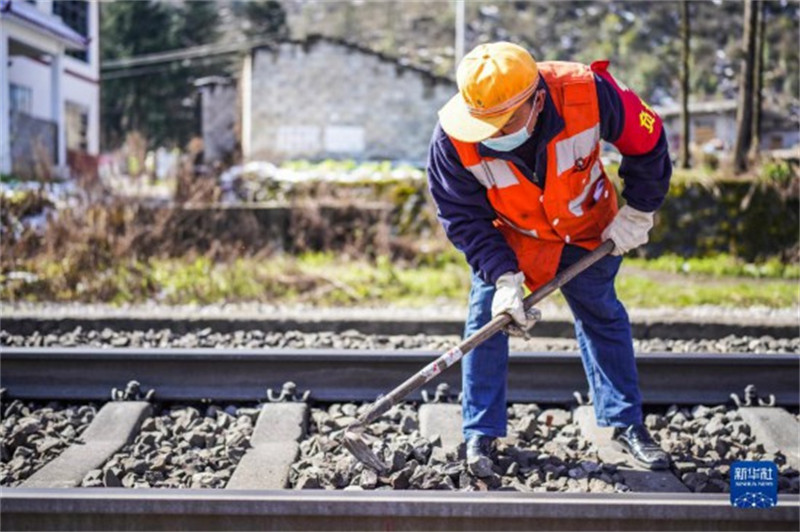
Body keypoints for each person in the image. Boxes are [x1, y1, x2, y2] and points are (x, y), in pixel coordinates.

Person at [426, 42, 672, 475]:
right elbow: (461, 217)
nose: (492, 135)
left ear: (537, 99)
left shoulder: (589, 91)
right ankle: (479, 434)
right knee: (486, 321)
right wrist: (503, 278)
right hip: (512, 237)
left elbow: (647, 141)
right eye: (484, 125)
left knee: (602, 314)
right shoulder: (451, 138)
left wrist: (640, 209)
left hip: (587, 225)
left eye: (505, 123)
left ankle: (627, 423)